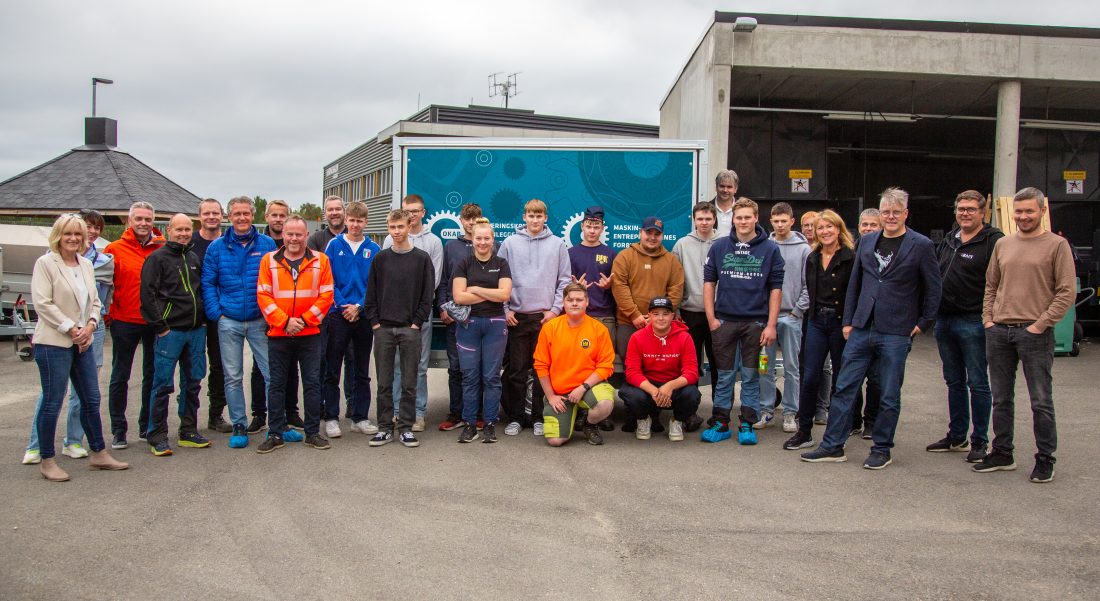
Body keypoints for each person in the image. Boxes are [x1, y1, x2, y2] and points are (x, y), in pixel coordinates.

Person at [801, 187, 942, 469]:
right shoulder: (866, 243)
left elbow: (934, 287)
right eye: (886, 212)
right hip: (862, 327)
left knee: (888, 393)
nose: (890, 217)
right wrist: (848, 321)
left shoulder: (921, 245)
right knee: (844, 388)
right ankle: (832, 445)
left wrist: (923, 323)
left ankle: (881, 448)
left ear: (905, 213)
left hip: (896, 330)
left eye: (895, 212)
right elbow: (855, 284)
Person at [974, 187, 1075, 483]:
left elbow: (1066, 291)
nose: (1023, 216)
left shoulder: (1057, 245)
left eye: (1029, 211)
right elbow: (991, 285)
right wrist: (988, 319)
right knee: (1001, 398)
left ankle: (1045, 458)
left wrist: (1040, 325)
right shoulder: (1003, 244)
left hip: (1034, 333)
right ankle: (1002, 453)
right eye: (1018, 211)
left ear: (1042, 211)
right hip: (999, 331)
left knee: (1040, 400)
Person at [31, 214, 128, 481]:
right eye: (68, 234)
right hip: (54, 342)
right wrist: (71, 328)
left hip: (83, 341)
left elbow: (95, 300)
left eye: (77, 234)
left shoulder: (85, 264)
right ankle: (47, 460)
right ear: (58, 236)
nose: (73, 239)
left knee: (91, 398)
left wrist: (91, 325)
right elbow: (43, 303)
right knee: (52, 401)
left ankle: (98, 453)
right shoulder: (46, 263)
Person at [927, 190, 1003, 462]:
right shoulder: (950, 239)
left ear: (983, 212)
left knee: (978, 383)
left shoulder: (993, 241)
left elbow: (1001, 281)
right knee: (954, 381)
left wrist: (990, 317)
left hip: (973, 320)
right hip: (944, 320)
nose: (965, 213)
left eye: (971, 209)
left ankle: (979, 442)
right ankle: (957, 436)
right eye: (961, 209)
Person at [702, 197, 784, 445]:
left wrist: (771, 325)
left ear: (756, 218)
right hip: (724, 322)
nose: (743, 221)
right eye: (739, 217)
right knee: (725, 376)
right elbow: (709, 283)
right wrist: (711, 319)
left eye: (748, 217)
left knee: (751, 376)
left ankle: (747, 424)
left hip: (755, 324)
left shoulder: (770, 249)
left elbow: (776, 289)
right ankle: (721, 423)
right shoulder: (719, 247)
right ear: (733, 220)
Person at [201, 195, 278, 449]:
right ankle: (239, 424)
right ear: (229, 216)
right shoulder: (217, 248)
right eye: (237, 213)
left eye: (246, 213)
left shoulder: (267, 244)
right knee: (233, 376)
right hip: (229, 320)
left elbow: (276, 280)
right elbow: (208, 282)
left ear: (252, 215)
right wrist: (217, 313)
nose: (242, 218)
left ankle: (276, 425)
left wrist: (270, 313)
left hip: (259, 319)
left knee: (270, 374)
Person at [256, 216, 335, 453]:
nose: (293, 239)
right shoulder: (268, 260)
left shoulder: (321, 260)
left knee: (312, 384)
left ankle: (312, 433)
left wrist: (303, 321)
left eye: (298, 234)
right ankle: (275, 433)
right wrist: (284, 322)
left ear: (306, 235)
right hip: (279, 333)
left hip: (309, 333)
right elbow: (263, 295)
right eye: (289, 234)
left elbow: (326, 295)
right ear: (283, 235)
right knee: (277, 385)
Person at [139, 214, 212, 456]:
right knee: (162, 385)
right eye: (178, 229)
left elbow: (200, 290)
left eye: (187, 229)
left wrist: (203, 321)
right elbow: (147, 295)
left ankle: (188, 431)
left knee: (193, 383)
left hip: (195, 330)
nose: (183, 234)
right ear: (168, 230)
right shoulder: (157, 258)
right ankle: (157, 435)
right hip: (170, 332)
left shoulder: (193, 258)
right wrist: (161, 326)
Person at [782, 210, 855, 451]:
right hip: (815, 321)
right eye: (820, 228)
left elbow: (855, 292)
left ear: (839, 229)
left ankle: (837, 434)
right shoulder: (812, 257)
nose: (824, 232)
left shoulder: (851, 257)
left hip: (841, 323)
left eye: (829, 227)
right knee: (809, 375)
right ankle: (804, 432)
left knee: (841, 379)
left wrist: (851, 322)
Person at [498, 199, 571, 436]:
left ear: (545, 218)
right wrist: (506, 309)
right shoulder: (509, 243)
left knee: (543, 371)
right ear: (524, 217)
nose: (535, 220)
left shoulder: (557, 244)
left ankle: (539, 417)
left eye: (539, 216)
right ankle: (516, 418)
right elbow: (500, 278)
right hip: (517, 318)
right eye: (531, 215)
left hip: (545, 319)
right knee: (516, 371)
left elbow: (564, 280)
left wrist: (555, 310)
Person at [364, 209, 435, 448]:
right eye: (392, 227)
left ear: (409, 226)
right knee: (384, 383)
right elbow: (371, 294)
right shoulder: (380, 259)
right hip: (383, 329)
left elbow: (427, 295)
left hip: (409, 329)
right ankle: (385, 428)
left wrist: (416, 323)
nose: (396, 232)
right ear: (388, 228)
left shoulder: (421, 259)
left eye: (400, 227)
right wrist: (375, 323)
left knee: (409, 382)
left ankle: (405, 428)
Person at [610, 215, 685, 432]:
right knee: (632, 367)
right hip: (629, 322)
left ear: (662, 236)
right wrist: (635, 315)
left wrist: (656, 318)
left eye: (657, 234)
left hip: (661, 325)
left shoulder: (671, 261)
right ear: (640, 233)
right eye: (648, 232)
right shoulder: (625, 256)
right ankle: (635, 414)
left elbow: (676, 291)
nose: (652, 237)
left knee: (656, 368)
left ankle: (654, 414)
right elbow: (619, 287)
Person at [105, 201, 165, 449]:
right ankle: (119, 430)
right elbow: (105, 286)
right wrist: (109, 315)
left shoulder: (162, 248)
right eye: (138, 219)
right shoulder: (114, 249)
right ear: (129, 221)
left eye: (147, 219)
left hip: (154, 321)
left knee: (152, 375)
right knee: (120, 376)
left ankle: (146, 425)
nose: (143, 223)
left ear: (153, 222)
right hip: (124, 321)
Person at [384, 194, 444, 432]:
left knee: (419, 365)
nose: (411, 215)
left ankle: (418, 413)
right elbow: (385, 276)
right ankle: (397, 411)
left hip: (421, 312)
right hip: (395, 312)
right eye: (407, 211)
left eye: (416, 211)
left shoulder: (434, 242)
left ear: (423, 212)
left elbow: (434, 280)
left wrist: (418, 309)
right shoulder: (389, 240)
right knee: (397, 364)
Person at [323, 200, 381, 438]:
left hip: (363, 315)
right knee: (332, 368)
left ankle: (360, 417)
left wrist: (358, 306)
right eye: (352, 220)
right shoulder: (334, 245)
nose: (355, 225)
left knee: (361, 369)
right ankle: (331, 417)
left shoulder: (374, 248)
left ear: (366, 222)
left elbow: (375, 284)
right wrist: (342, 304)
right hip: (338, 315)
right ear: (346, 220)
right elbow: (327, 279)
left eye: (360, 221)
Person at [533, 282, 616, 446]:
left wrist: (582, 387)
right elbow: (540, 365)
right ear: (563, 303)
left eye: (579, 299)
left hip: (588, 387)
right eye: (570, 300)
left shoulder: (599, 329)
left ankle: (589, 424)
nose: (575, 303)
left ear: (587, 302)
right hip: (560, 392)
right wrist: (551, 396)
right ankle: (570, 411)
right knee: (555, 441)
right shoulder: (550, 328)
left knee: (605, 404)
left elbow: (605, 366)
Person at [452, 218, 512, 443]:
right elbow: (459, 297)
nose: (483, 242)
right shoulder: (464, 264)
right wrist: (490, 293)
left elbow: (504, 295)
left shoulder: (502, 263)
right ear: (473, 240)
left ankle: (489, 424)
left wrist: (475, 288)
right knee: (470, 377)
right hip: (469, 325)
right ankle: (470, 424)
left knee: (491, 377)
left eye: (487, 238)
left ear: (493, 239)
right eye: (479, 238)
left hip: (495, 325)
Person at [436, 203, 488, 431]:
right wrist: (442, 307)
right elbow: (443, 281)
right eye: (467, 219)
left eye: (475, 218)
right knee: (456, 367)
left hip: (482, 316)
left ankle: (478, 414)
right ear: (461, 220)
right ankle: (456, 413)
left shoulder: (491, 245)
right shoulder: (451, 247)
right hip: (456, 318)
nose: (471, 223)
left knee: (480, 367)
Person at [620, 297, 700, 441]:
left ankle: (677, 421)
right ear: (649, 316)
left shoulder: (685, 337)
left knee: (692, 394)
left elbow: (692, 373)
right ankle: (643, 419)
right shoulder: (637, 337)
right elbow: (632, 372)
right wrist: (654, 391)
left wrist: (669, 386)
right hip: (648, 385)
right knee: (630, 394)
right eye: (656, 314)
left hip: (673, 385)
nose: (661, 318)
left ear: (672, 316)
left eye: (665, 314)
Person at [254, 198, 303, 431]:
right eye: (274, 215)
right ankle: (259, 414)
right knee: (261, 368)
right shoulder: (260, 243)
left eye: (282, 215)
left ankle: (291, 412)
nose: (278, 219)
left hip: (293, 319)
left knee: (291, 368)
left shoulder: (296, 243)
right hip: (264, 315)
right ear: (267, 217)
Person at [760, 202, 810, 432]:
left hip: (791, 317)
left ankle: (790, 412)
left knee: (791, 367)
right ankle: (766, 410)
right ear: (771, 221)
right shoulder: (765, 246)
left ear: (792, 221)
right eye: (776, 221)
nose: (780, 225)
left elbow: (808, 283)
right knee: (764, 365)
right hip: (765, 318)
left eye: (784, 221)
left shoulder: (804, 249)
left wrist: (797, 311)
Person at [567, 205, 617, 431]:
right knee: (579, 364)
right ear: (582, 227)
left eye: (596, 226)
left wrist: (609, 286)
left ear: (602, 228)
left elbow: (618, 287)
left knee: (603, 365)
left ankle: (601, 411)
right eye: (589, 225)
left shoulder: (611, 254)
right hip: (578, 318)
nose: (592, 230)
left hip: (604, 317)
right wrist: (576, 287)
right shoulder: (571, 253)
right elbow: (564, 286)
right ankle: (579, 409)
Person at [671, 203, 717, 433]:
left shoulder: (724, 242)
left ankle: (720, 411)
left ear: (714, 219)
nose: (704, 223)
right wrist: (677, 310)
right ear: (694, 220)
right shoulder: (682, 244)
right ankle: (690, 412)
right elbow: (675, 279)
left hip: (718, 314)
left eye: (708, 218)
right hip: (690, 313)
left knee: (719, 363)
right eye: (700, 219)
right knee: (691, 365)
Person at [190, 198, 232, 433]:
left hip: (219, 315)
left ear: (222, 216)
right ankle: (189, 419)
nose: (211, 217)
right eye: (207, 213)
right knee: (193, 368)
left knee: (219, 367)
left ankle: (216, 414)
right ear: (200, 216)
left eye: (215, 213)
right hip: (194, 316)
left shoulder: (227, 243)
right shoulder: (189, 242)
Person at [850, 207, 884, 438]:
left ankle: (871, 421)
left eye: (873, 225)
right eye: (865, 225)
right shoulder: (850, 251)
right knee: (852, 376)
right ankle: (853, 420)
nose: (868, 229)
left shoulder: (886, 252)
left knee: (876, 378)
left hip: (881, 323)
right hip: (856, 323)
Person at [799, 210, 831, 425]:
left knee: (824, 366)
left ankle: (822, 407)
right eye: (807, 225)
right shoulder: (804, 251)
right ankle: (805, 406)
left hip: (823, 315)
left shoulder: (828, 251)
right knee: (805, 364)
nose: (810, 229)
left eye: (814, 225)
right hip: (804, 314)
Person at [710, 170, 739, 236]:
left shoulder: (744, 209)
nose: (725, 190)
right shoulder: (706, 208)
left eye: (729, 187)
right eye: (722, 186)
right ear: (716, 187)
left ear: (735, 189)